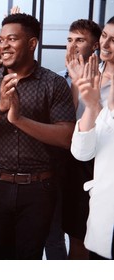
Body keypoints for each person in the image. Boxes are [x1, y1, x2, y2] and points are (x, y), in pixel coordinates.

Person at [0, 13, 76, 259]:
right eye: (1, 39)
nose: (3, 45)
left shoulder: (54, 84)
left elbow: (67, 137)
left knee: (28, 260)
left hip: (38, 189)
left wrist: (18, 120)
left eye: (12, 39)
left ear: (32, 44)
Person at [51, 19, 102, 260]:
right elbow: (64, 123)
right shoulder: (58, 79)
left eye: (79, 40)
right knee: (64, 231)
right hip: (63, 160)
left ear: (95, 46)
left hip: (93, 162)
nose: (72, 46)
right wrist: (72, 80)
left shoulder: (102, 78)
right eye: (69, 40)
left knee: (87, 235)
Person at [70, 16, 114, 260]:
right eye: (105, 36)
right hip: (91, 174)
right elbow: (82, 150)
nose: (106, 44)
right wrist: (91, 104)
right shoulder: (90, 77)